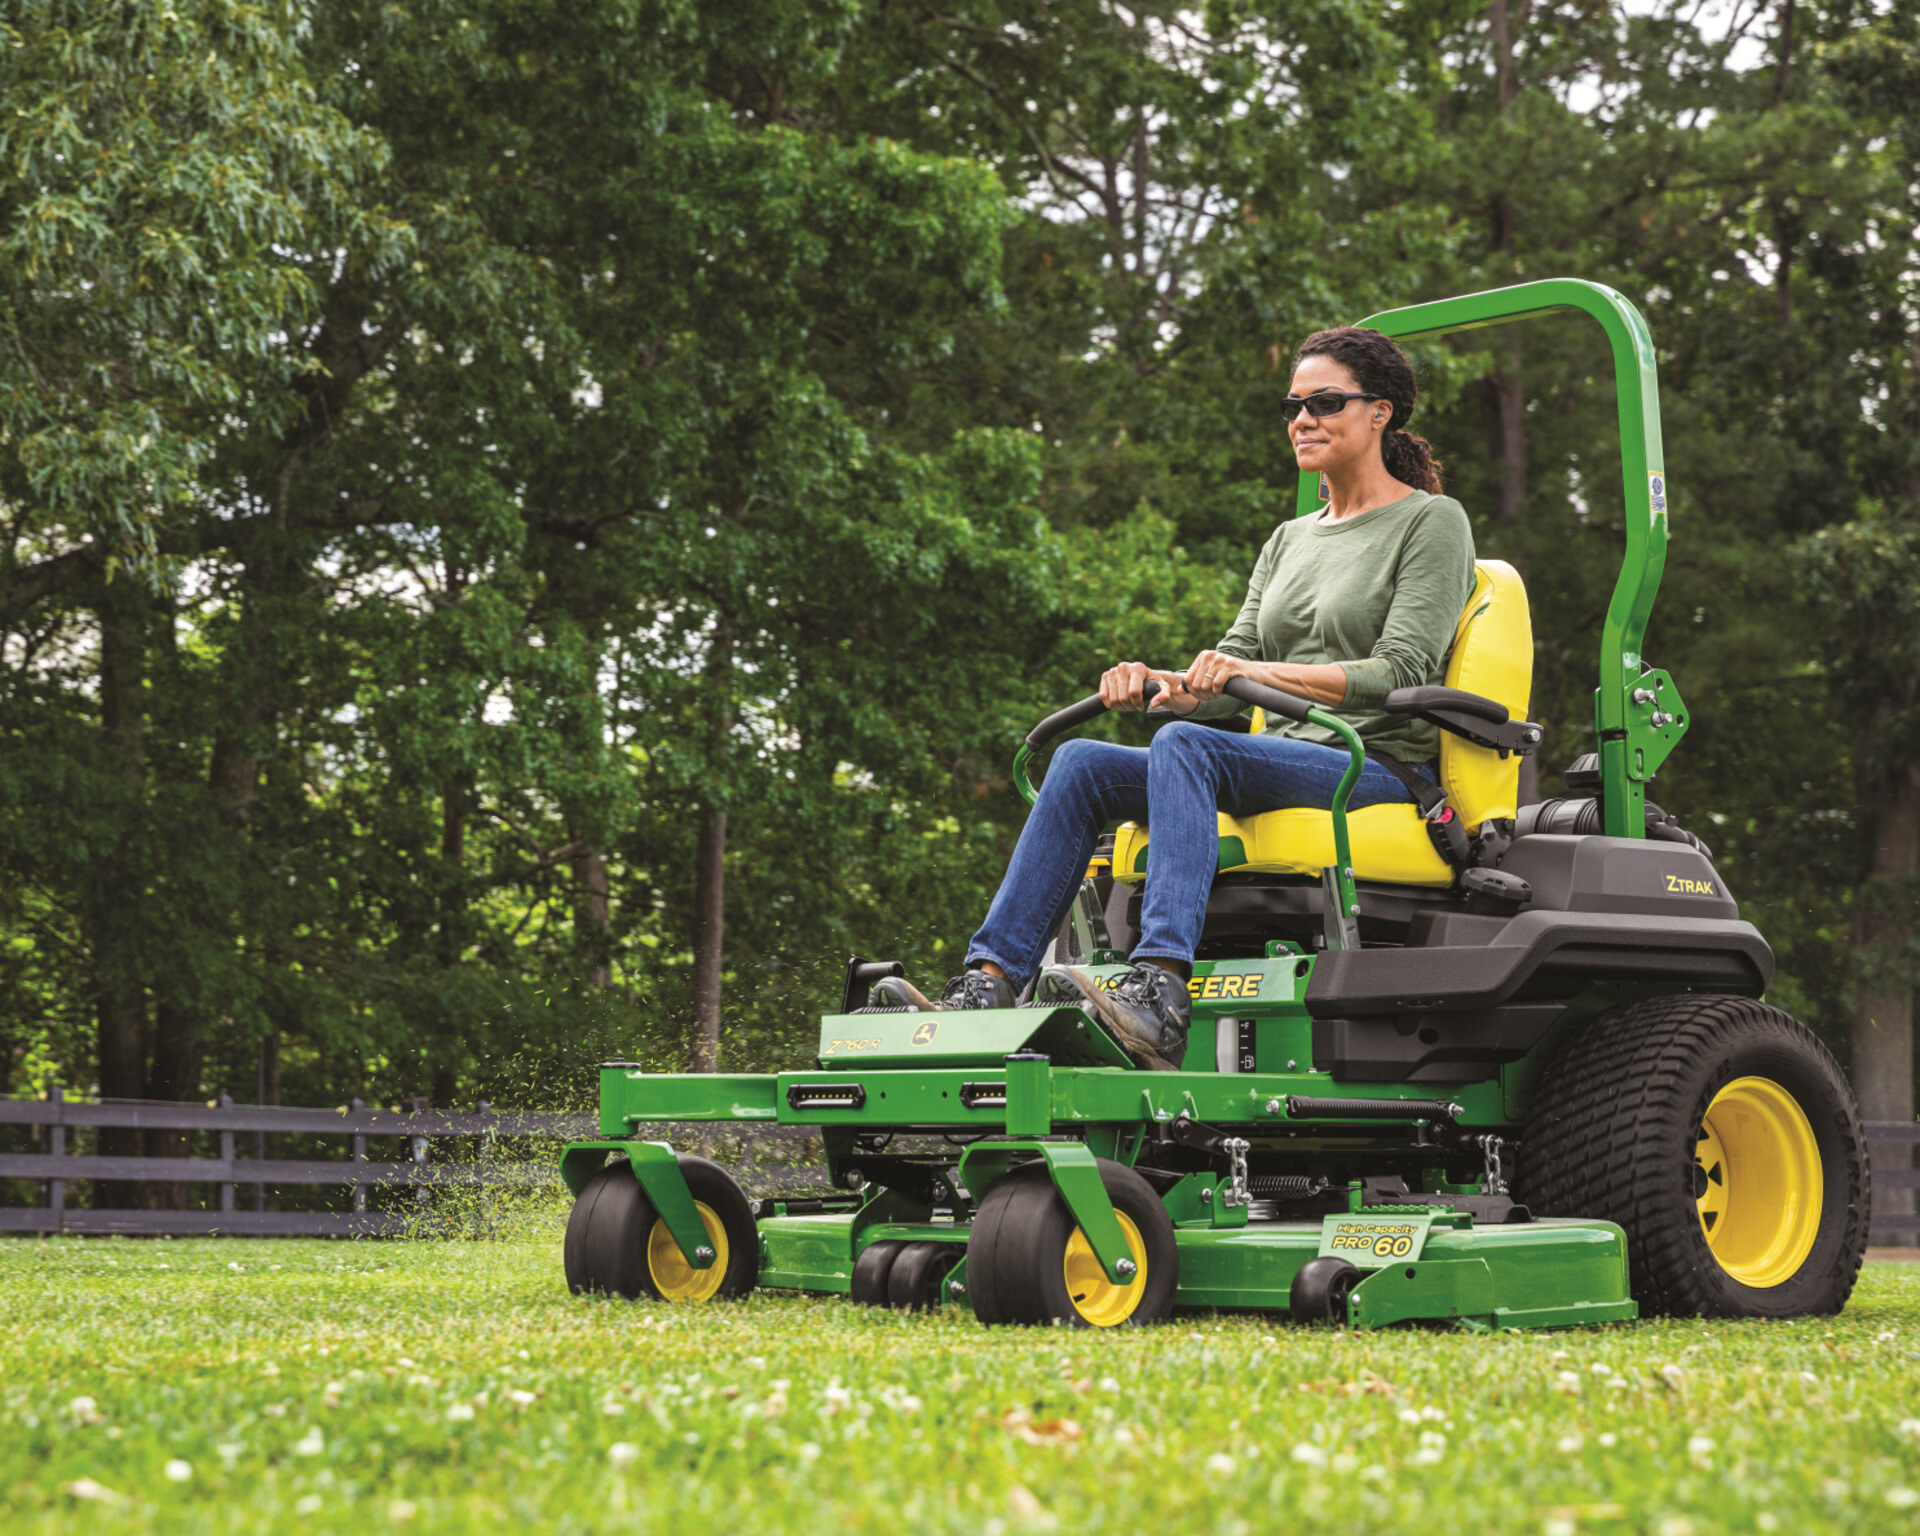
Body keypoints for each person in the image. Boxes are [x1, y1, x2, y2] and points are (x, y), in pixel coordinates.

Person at [883, 326, 1476, 1070]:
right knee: (1082, 761)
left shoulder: (1430, 521)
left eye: (1325, 402)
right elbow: (1226, 687)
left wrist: (1241, 681)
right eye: (1294, 404)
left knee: (1187, 749)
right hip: (1273, 755)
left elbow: (1399, 671)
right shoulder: (1290, 539)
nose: (1303, 419)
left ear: (1380, 413)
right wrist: (1163, 689)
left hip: (1373, 765)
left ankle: (1159, 989)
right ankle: (991, 979)